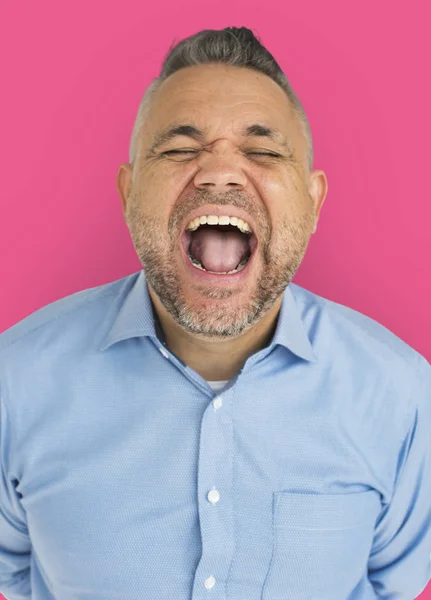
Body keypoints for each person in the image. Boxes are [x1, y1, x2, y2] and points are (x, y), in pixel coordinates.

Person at [0, 26, 430, 600]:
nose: (220, 174)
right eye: (180, 149)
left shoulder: (401, 397)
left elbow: (394, 586)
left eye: (262, 151)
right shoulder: (14, 380)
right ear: (129, 195)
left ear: (314, 200)